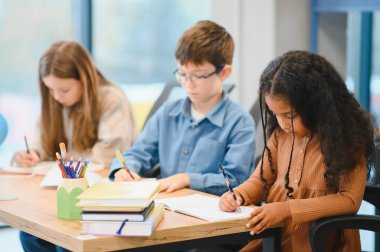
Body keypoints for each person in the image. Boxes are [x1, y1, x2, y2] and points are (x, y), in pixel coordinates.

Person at [219, 50, 374, 251]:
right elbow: (260, 181)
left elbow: (349, 200)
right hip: (274, 241)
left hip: (321, 245)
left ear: (316, 104)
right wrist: (238, 195)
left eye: (289, 115)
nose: (282, 124)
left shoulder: (347, 140)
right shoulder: (280, 136)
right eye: (275, 114)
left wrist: (288, 209)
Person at [110, 20, 255, 196]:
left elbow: (234, 180)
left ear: (224, 73)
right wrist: (124, 169)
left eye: (198, 75)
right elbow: (139, 153)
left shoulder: (239, 122)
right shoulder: (167, 113)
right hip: (166, 206)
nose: (188, 84)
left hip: (210, 215)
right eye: (182, 74)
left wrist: (187, 179)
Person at [16, 41, 136, 252]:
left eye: (64, 89)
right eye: (50, 89)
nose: (56, 96)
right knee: (29, 233)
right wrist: (33, 154)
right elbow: (41, 141)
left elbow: (105, 158)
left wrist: (66, 161)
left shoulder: (111, 99)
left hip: (100, 195)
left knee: (66, 242)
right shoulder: (55, 100)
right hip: (59, 194)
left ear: (86, 80)